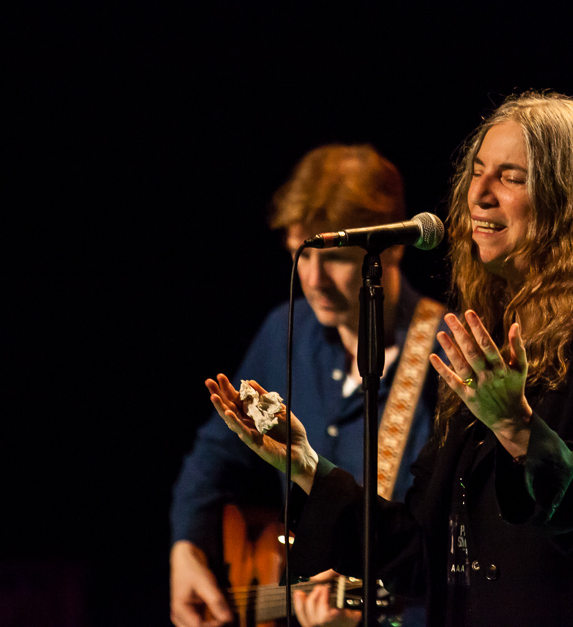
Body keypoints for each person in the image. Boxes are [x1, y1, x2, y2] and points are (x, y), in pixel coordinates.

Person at [207, 91, 573, 626]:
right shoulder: (483, 333)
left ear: (569, 200)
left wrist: (516, 426)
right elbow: (425, 552)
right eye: (478, 171)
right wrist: (305, 467)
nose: (479, 194)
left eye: (511, 177)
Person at [171, 144, 445, 627]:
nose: (313, 280)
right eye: (302, 251)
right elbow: (215, 454)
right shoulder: (284, 333)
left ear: (394, 246)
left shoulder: (447, 355)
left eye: (335, 257)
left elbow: (445, 553)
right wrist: (187, 547)